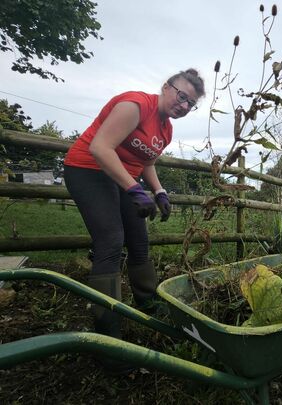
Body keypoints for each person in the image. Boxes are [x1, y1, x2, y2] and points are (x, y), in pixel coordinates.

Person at [64, 69, 205, 343]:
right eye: (181, 96)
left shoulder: (166, 129)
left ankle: (147, 302)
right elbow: (100, 148)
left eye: (191, 103)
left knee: (139, 241)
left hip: (123, 179)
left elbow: (147, 163)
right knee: (111, 241)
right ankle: (107, 329)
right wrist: (134, 189)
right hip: (88, 169)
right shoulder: (135, 105)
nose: (184, 105)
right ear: (166, 87)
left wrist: (159, 191)